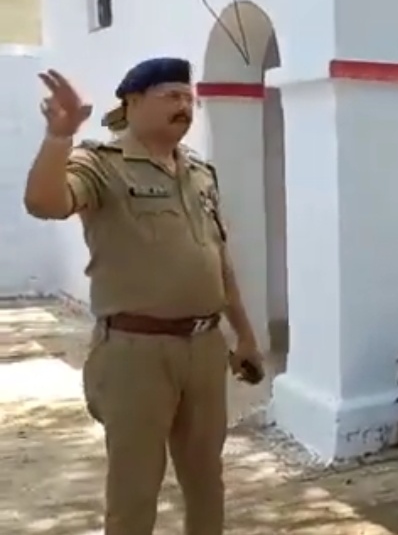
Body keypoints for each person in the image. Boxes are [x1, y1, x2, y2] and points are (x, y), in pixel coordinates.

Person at [22, 58, 265, 534]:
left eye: (188, 98)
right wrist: (59, 137)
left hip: (205, 348)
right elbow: (44, 203)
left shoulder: (199, 172)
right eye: (171, 96)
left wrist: (246, 337)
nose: (184, 106)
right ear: (132, 102)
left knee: (206, 480)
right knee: (134, 489)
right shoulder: (101, 164)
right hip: (136, 353)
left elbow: (219, 261)